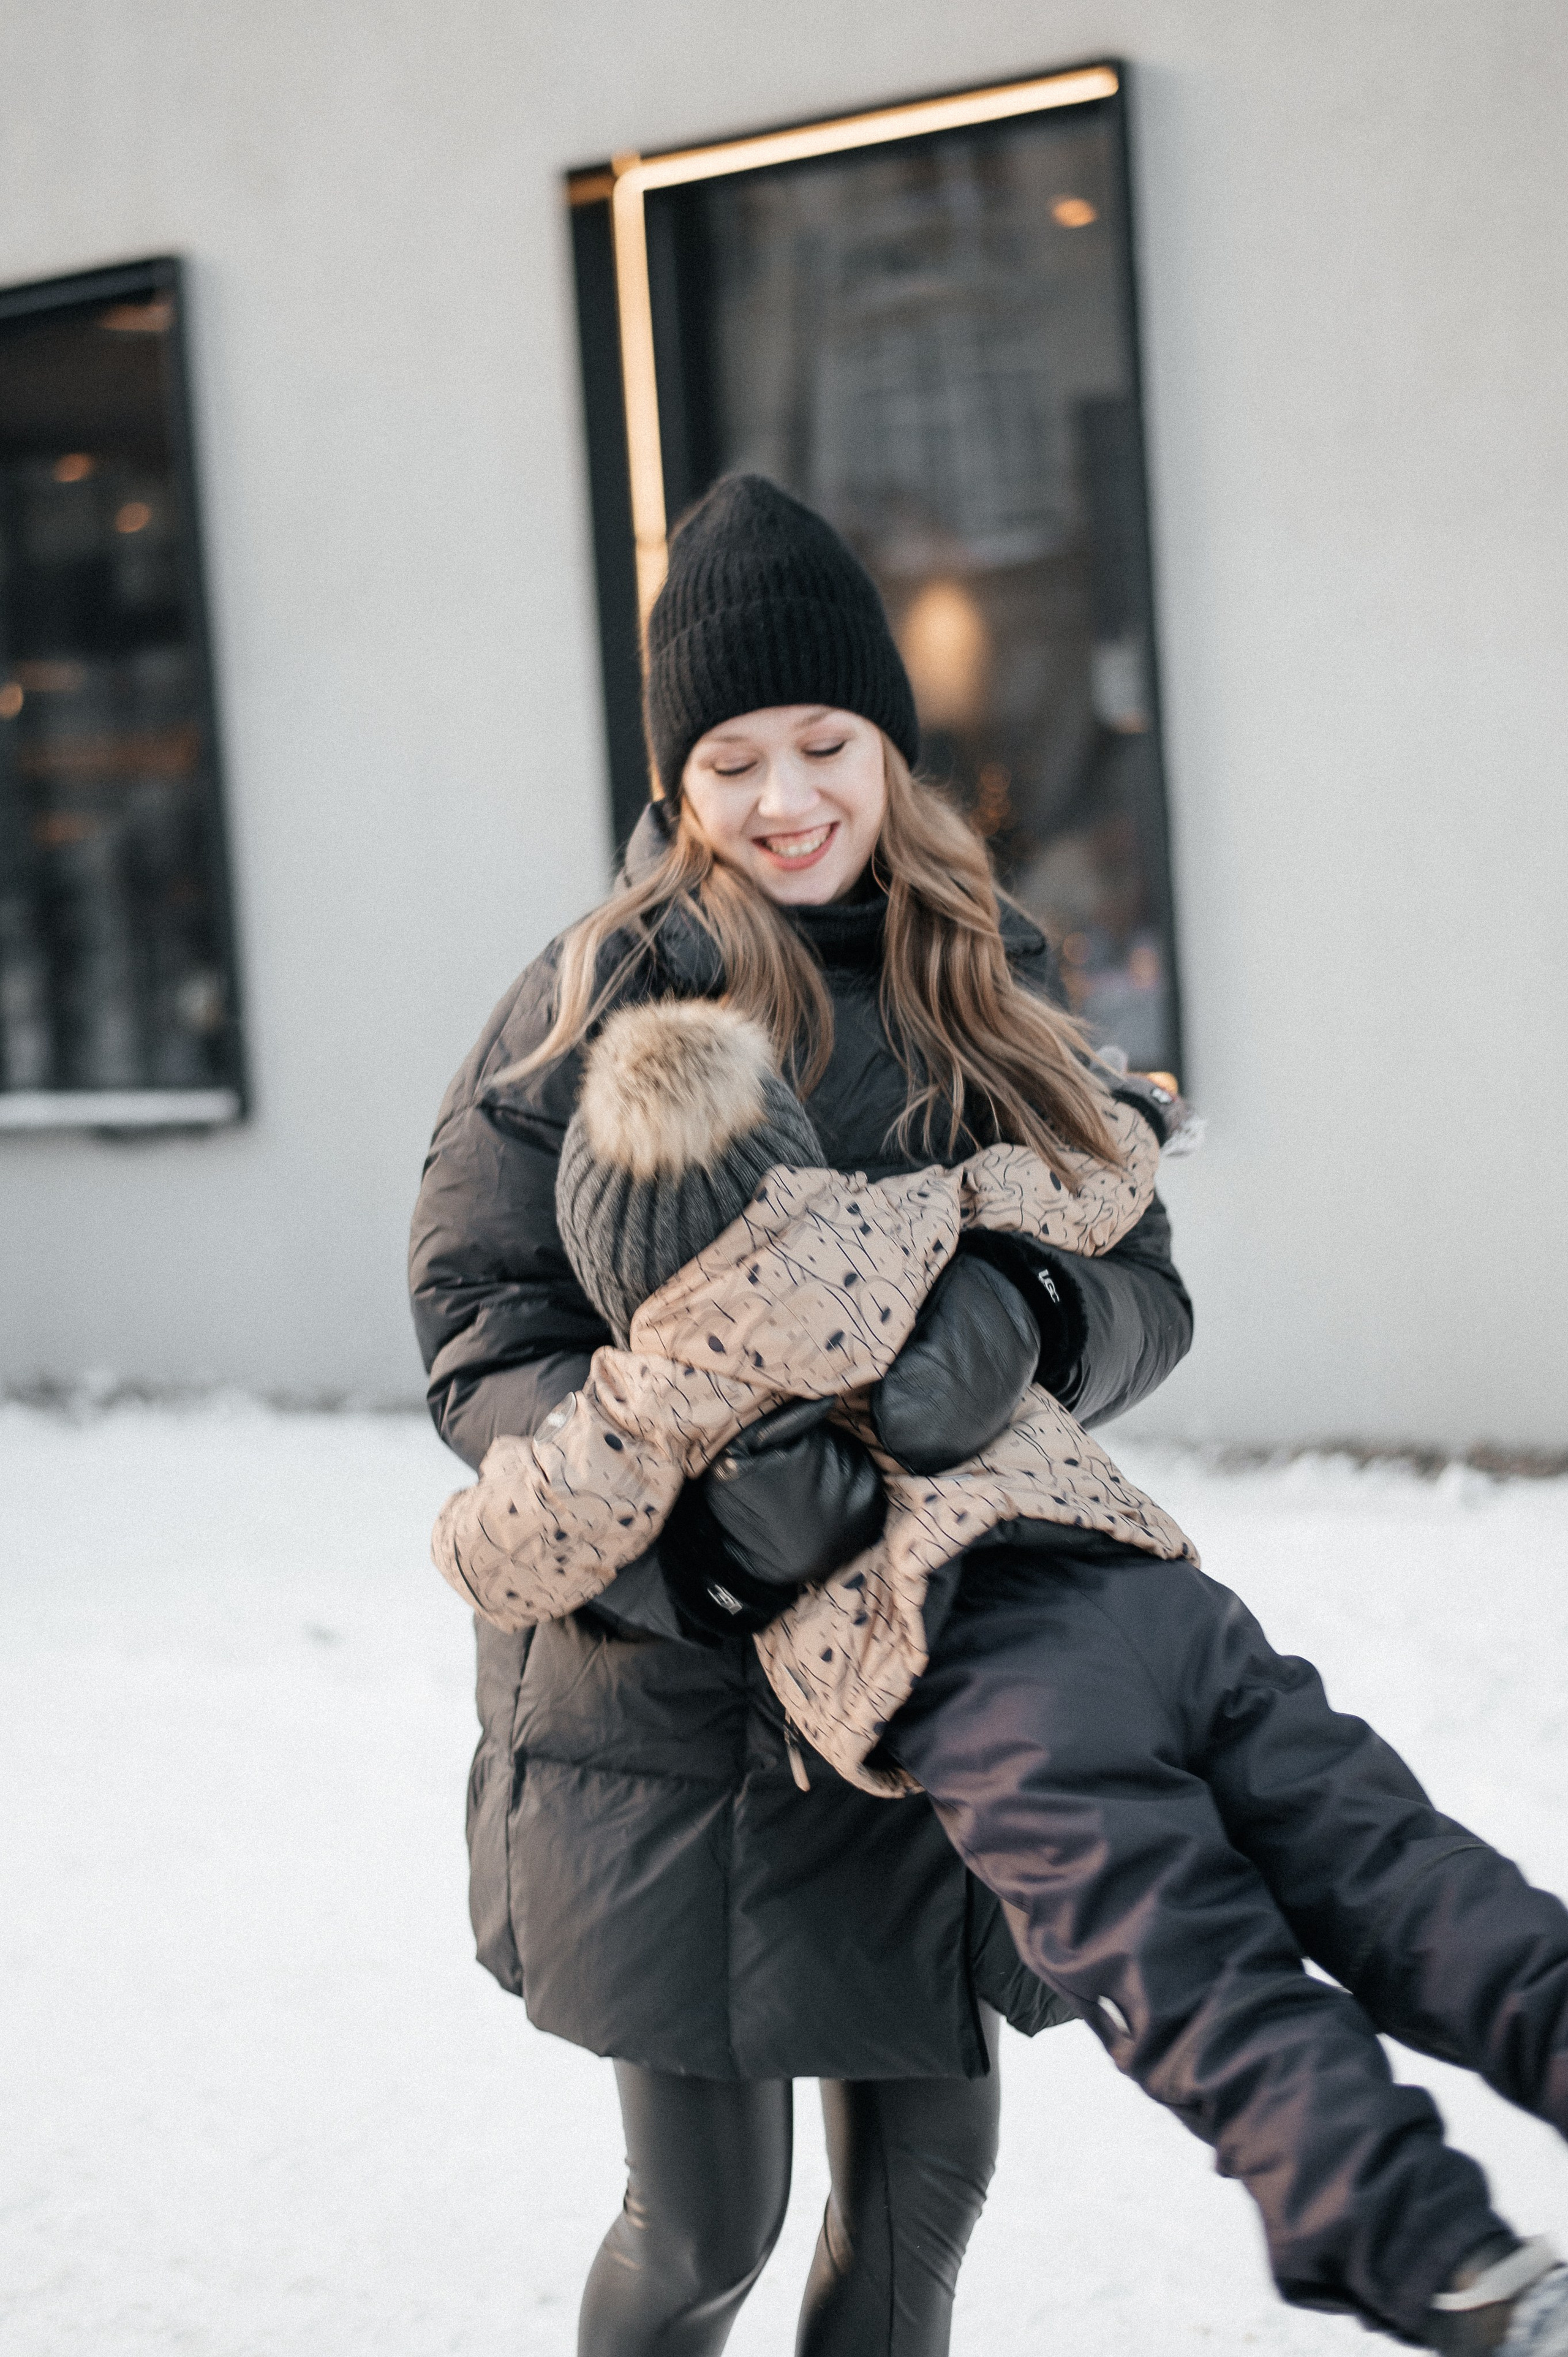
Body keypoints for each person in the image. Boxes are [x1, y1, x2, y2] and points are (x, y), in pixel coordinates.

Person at [437, 984, 1568, 2357]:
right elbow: (1079, 1175)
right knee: (1389, 1858)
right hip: (1148, 1596)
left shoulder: (651, 1388)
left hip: (990, 1683)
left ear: (607, 1252)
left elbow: (501, 1546)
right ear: (789, 1145)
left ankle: (1444, 2262)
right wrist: (1131, 1112)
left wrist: (635, 1507)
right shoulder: (910, 1213)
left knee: (1195, 1965)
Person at [408, 473, 1193, 2356]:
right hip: (674, 1718)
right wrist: (688, 1539)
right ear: (678, 779)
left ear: (889, 748)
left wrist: (1032, 1319)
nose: (785, 798)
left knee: (919, 2212)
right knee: (706, 2234)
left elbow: (1143, 1271)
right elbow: (480, 1325)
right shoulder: (598, 995)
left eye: (824, 744)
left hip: (931, 1689)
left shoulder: (992, 978)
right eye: (731, 759)